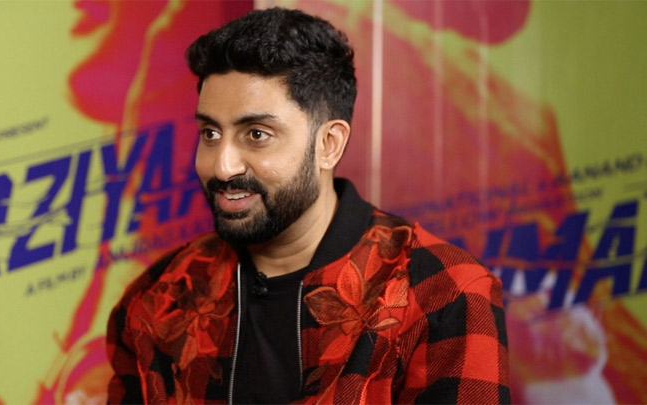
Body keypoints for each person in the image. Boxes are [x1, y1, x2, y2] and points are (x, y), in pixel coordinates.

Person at [106, 7, 510, 404]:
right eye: (210, 133)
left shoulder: (443, 291)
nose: (222, 166)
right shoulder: (157, 298)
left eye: (257, 134)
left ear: (328, 144)